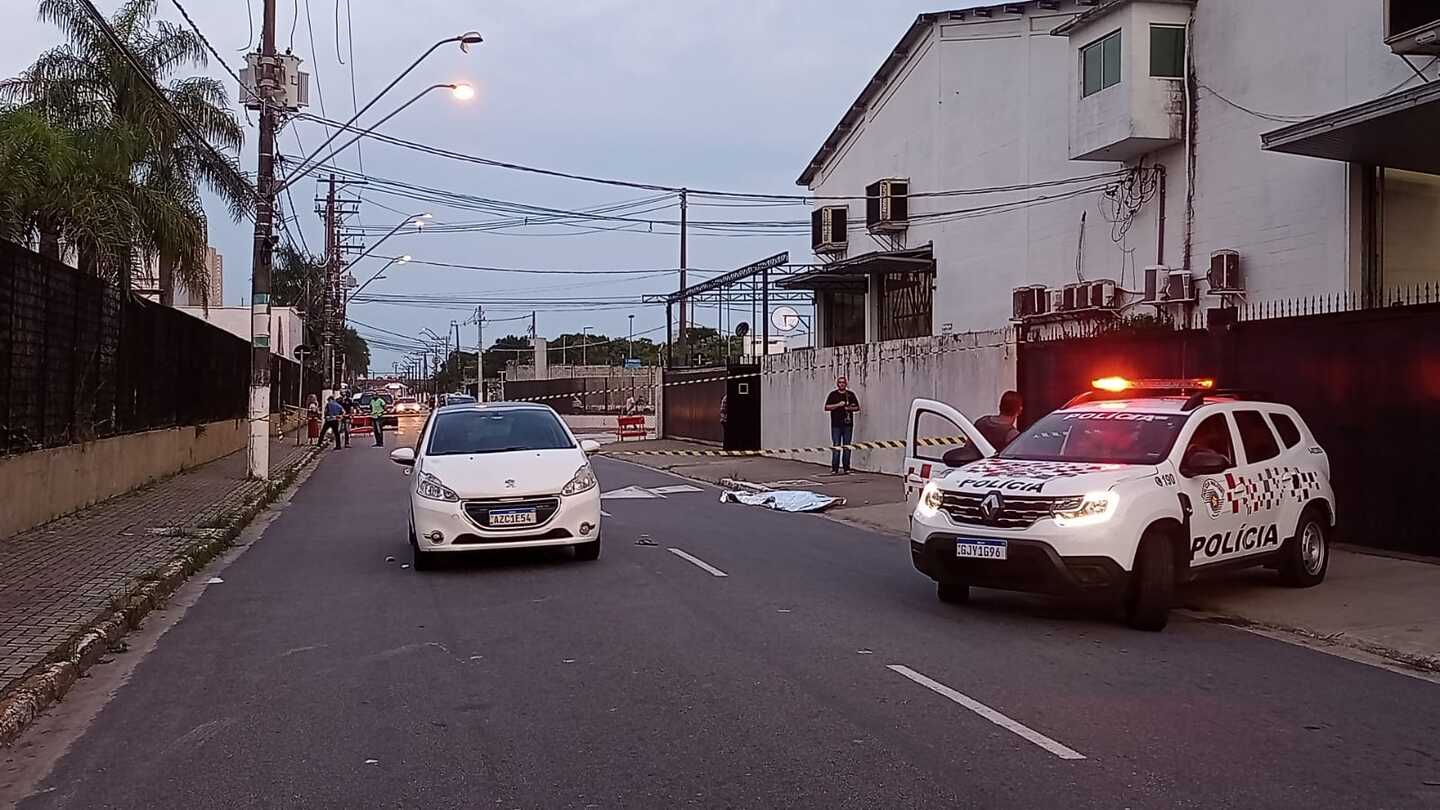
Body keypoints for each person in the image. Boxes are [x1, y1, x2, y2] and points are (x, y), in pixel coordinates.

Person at [824, 375, 860, 474]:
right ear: (837, 384)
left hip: (847, 424)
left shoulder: (850, 395)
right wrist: (838, 405)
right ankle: (835, 468)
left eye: (843, 383)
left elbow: (857, 407)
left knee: (847, 446)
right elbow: (826, 407)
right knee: (836, 446)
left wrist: (849, 408)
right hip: (836, 425)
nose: (842, 384)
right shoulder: (833, 395)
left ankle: (846, 467)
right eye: (840, 382)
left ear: (846, 384)